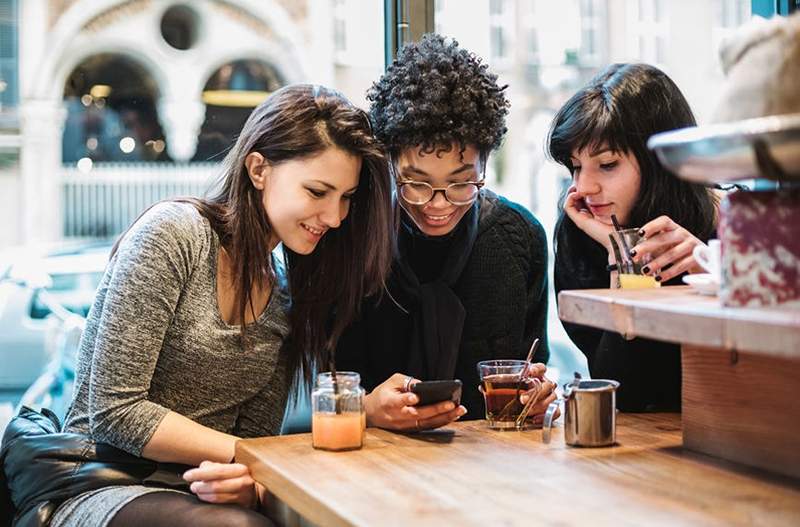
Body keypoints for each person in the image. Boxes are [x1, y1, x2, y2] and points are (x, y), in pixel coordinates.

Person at [48, 84, 394, 526]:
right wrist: (254, 458)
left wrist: (246, 478)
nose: (335, 216)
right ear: (258, 169)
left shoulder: (286, 297)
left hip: (200, 496)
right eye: (317, 191)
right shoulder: (174, 236)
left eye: (346, 197)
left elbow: (252, 439)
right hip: (104, 485)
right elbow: (115, 412)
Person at [336, 34, 556, 431]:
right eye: (416, 183)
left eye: (461, 183)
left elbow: (534, 371)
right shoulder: (348, 236)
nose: (438, 204)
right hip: (364, 461)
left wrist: (538, 398)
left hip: (488, 465)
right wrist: (364, 408)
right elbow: (311, 388)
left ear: (484, 165)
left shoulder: (519, 239)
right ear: (389, 164)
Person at [548, 63, 719, 412]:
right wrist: (622, 255)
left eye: (607, 164)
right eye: (576, 166)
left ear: (659, 161)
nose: (583, 187)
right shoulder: (580, 234)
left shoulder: (731, 225)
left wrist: (714, 274)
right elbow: (626, 390)